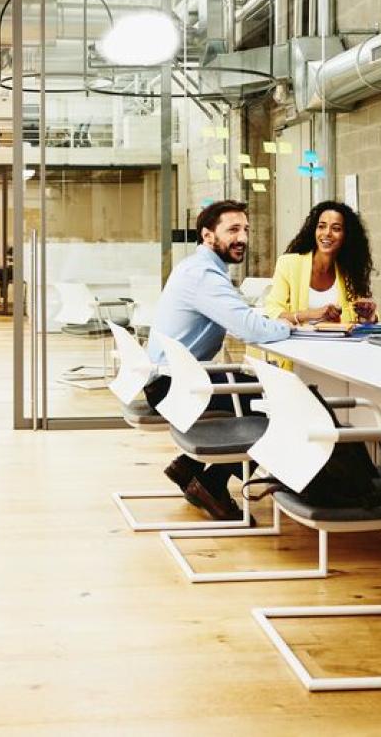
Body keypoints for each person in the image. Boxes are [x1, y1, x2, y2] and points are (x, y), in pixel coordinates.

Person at [144, 200, 292, 521]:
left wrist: (283, 319)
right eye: (233, 230)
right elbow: (249, 330)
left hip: (172, 378)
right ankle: (211, 482)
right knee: (279, 403)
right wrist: (290, 325)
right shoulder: (203, 275)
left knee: (259, 391)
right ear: (208, 236)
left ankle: (190, 468)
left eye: (246, 230)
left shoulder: (200, 269)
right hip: (173, 386)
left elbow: (243, 317)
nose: (242, 238)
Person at [263, 200, 377, 325]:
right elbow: (272, 312)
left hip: (339, 343)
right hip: (299, 343)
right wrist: (311, 314)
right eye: (321, 226)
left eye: (336, 229)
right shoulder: (288, 264)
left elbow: (357, 322)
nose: (327, 233)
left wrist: (368, 317)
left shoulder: (349, 271)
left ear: (346, 235)